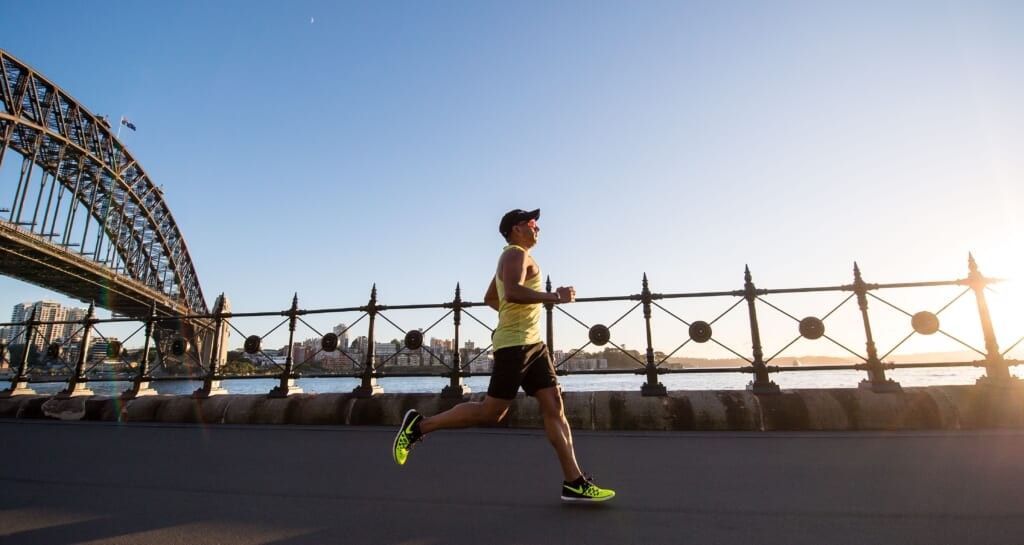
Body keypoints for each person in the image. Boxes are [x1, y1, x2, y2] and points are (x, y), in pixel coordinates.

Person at [392, 208, 615, 503]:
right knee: (491, 412)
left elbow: (491, 297)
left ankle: (574, 482)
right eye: (532, 223)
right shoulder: (514, 255)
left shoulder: (517, 257)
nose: (537, 228)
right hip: (515, 346)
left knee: (554, 406)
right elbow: (511, 292)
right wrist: (554, 297)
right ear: (516, 229)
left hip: (534, 345)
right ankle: (418, 426)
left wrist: (515, 316)